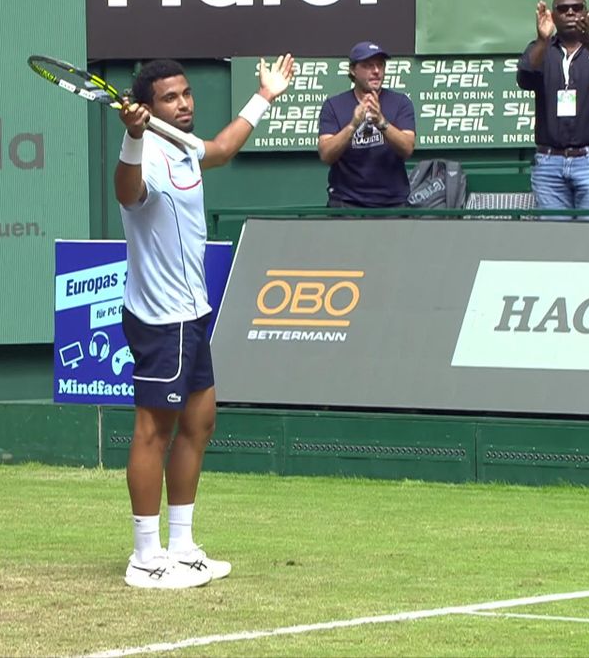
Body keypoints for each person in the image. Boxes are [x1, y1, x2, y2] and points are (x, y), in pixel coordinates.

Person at [114, 54, 294, 589]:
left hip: (193, 313)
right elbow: (125, 193)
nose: (184, 103)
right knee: (153, 431)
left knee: (199, 424)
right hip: (159, 318)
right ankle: (145, 558)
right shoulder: (142, 158)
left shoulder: (186, 148)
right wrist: (130, 138)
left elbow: (221, 148)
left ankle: (183, 546)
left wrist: (265, 95)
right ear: (146, 108)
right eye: (170, 97)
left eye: (186, 93)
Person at [516, 0, 589, 218]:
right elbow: (525, 78)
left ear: (587, 14)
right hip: (549, 164)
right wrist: (542, 40)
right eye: (563, 9)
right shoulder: (540, 49)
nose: (570, 12)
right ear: (553, 18)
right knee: (552, 244)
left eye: (577, 8)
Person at [317, 41, 416, 209]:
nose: (376, 71)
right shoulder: (334, 105)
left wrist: (381, 122)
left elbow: (407, 148)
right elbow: (326, 154)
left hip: (393, 203)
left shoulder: (401, 102)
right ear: (353, 70)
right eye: (368, 66)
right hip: (346, 203)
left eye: (380, 65)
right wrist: (353, 125)